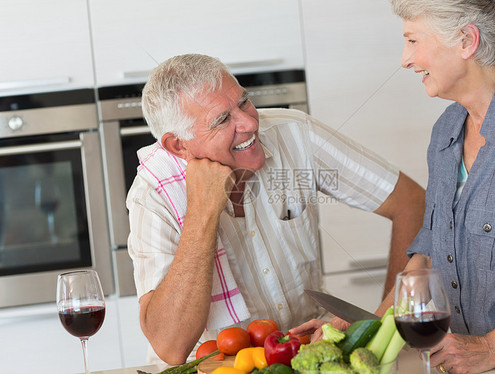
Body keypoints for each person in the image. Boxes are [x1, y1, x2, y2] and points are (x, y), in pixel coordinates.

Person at [293, 0, 495, 373]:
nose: (405, 59)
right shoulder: (447, 131)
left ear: (467, 41)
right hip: (463, 361)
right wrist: (370, 328)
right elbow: (429, 252)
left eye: (413, 40)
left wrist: (492, 346)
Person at [126, 53, 425, 365]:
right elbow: (170, 347)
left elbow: (411, 202)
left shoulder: (294, 134)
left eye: (243, 102)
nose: (250, 122)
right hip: (217, 367)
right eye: (222, 120)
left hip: (308, 353)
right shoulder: (152, 195)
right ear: (179, 145)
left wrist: (381, 326)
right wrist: (202, 211)